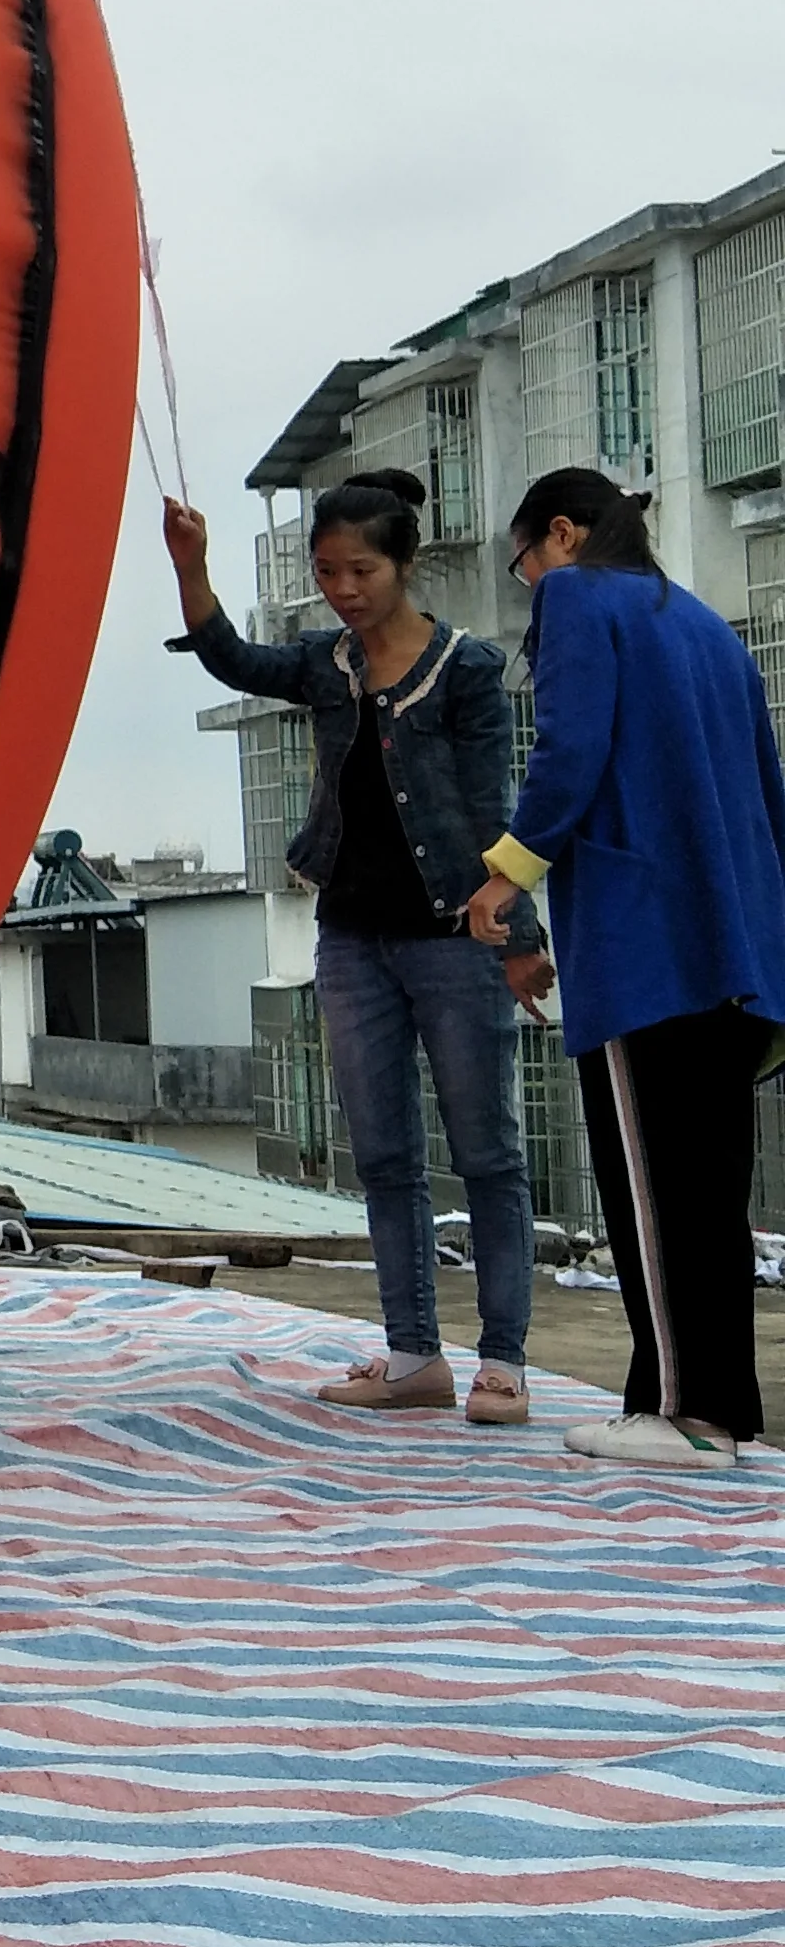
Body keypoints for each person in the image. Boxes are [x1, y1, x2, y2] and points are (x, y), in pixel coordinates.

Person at [162, 472, 547, 1426]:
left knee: (488, 1154)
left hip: (454, 937)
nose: (343, 588)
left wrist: (520, 941)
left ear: (404, 565)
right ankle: (414, 1354)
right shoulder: (326, 665)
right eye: (327, 570)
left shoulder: (466, 670)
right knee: (382, 1154)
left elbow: (494, 809)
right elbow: (233, 660)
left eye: (360, 569)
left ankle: (503, 1363)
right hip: (352, 940)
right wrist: (192, 567)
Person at [462, 468, 785, 1469]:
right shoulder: (707, 629)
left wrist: (504, 875)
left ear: (560, 534)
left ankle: (680, 1411)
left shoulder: (577, 597)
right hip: (737, 951)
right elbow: (770, 795)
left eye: (523, 563)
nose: (529, 586)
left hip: (649, 947)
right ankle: (718, 1415)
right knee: (709, 1196)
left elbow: (568, 752)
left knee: (649, 1189)